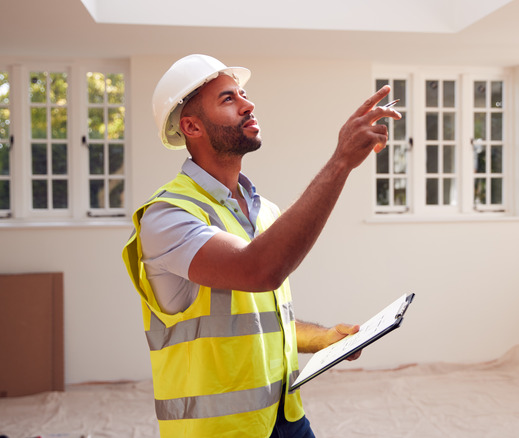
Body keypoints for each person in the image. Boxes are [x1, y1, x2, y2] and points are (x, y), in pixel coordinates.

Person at [121, 54, 401, 438]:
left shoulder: (264, 211)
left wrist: (323, 338)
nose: (248, 104)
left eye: (243, 94)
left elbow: (259, 319)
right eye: (227, 99)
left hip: (286, 416)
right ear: (191, 126)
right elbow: (259, 270)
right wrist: (339, 163)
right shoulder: (167, 216)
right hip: (220, 431)